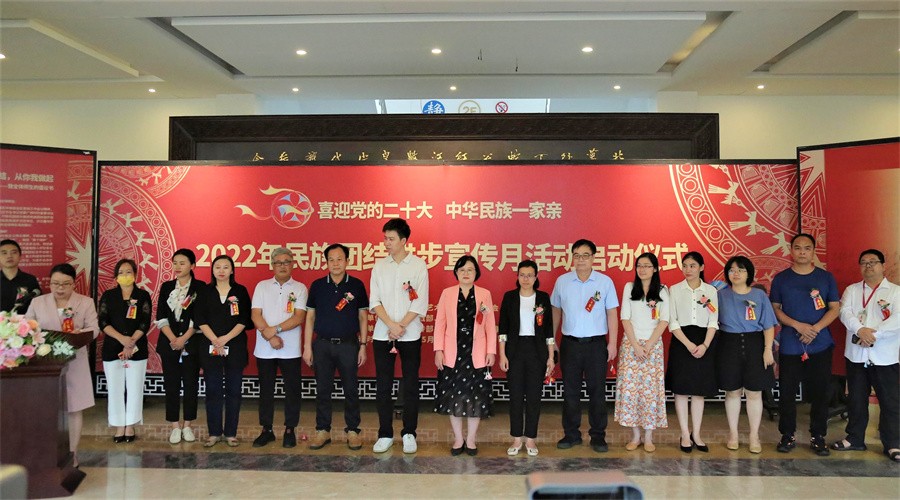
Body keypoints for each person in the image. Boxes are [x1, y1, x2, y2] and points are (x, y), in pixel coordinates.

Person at [770, 233, 840, 456]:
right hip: (791, 344)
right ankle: (787, 435)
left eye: (807, 248)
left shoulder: (825, 277)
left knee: (820, 392)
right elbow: (775, 309)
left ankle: (818, 436)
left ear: (813, 252)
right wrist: (797, 325)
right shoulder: (781, 279)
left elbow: (834, 308)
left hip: (820, 344)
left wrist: (815, 329)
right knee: (787, 392)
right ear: (791, 251)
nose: (802, 252)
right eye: (798, 248)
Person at [25, 263, 98, 466]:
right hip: (45, 363)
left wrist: (80, 333)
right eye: (55, 283)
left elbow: (94, 328)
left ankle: (73, 453)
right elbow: (27, 327)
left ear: (74, 284)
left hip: (75, 360)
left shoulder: (85, 302)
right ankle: (47, 451)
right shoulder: (38, 302)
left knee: (75, 408)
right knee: (47, 408)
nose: (60, 288)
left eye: (65, 284)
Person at [551, 239, 619, 453]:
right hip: (570, 344)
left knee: (597, 392)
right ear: (572, 257)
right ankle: (571, 434)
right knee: (570, 391)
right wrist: (552, 341)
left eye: (585, 255)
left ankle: (598, 436)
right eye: (577, 255)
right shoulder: (562, 281)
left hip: (596, 345)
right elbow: (555, 311)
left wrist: (612, 343)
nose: (581, 259)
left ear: (593, 257)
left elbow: (612, 313)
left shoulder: (605, 282)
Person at [832, 249, 899, 462]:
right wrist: (860, 330)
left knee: (890, 401)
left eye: (873, 262)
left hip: (885, 355)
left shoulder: (895, 292)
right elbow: (845, 313)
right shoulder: (852, 290)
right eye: (864, 262)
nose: (868, 266)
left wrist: (873, 335)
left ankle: (893, 443)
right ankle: (855, 438)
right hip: (857, 355)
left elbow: (897, 319)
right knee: (856, 399)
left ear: (883, 266)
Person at [369, 218, 429, 454]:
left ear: (404, 241)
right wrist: (391, 325)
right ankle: (385, 433)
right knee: (383, 385)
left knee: (411, 384)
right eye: (385, 238)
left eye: (391, 239)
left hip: (410, 334)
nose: (386, 243)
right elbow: (374, 301)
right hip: (383, 334)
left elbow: (420, 302)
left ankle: (409, 433)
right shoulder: (379, 267)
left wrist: (401, 325)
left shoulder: (418, 266)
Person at [303, 243, 369, 451]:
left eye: (340, 259)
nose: (335, 263)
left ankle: (353, 431)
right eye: (331, 259)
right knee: (323, 389)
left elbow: (363, 317)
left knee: (351, 389)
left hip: (348, 344)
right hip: (322, 344)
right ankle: (323, 430)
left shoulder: (356, 285)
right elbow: (310, 317)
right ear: (326, 262)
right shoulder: (317, 285)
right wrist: (307, 347)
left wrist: (363, 345)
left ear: (347, 261)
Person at [433, 255, 497, 456]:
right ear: (456, 273)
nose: (466, 273)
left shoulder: (485, 294)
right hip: (453, 353)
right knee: (454, 398)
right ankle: (458, 439)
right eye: (462, 270)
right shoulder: (447, 293)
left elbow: (490, 325)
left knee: (476, 398)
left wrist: (491, 351)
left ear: (476, 272)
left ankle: (471, 440)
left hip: (477, 353)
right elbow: (440, 323)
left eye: (470, 270)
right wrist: (438, 350)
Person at [717, 255, 777, 453]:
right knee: (732, 392)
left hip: (755, 344)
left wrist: (767, 350)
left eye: (741, 270)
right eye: (732, 270)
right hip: (728, 344)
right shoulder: (720, 295)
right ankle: (733, 434)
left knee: (754, 393)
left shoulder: (759, 296)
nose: (736, 273)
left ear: (749, 273)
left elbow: (768, 326)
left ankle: (754, 435)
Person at [250, 247, 307, 448]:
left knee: (292, 390)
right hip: (265, 349)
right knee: (266, 390)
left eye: (286, 262)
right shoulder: (262, 286)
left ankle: (290, 429)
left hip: (290, 349)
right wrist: (270, 336)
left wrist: (274, 330)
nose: (282, 266)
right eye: (278, 262)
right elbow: (255, 314)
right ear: (272, 265)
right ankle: (266, 430)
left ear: (292, 264)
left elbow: (299, 317)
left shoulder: (300, 288)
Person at [498, 260, 554, 457]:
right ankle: (516, 438)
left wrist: (550, 357)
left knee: (533, 397)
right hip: (514, 351)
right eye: (522, 275)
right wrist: (502, 354)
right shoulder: (510, 297)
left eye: (530, 275)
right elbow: (503, 328)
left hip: (537, 352)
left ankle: (530, 439)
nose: (526, 278)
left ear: (536, 277)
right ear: (517, 276)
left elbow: (549, 330)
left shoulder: (543, 298)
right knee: (515, 396)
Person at [615, 252, 669, 452]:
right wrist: (636, 346)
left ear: (655, 269)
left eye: (647, 266)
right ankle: (635, 436)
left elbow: (664, 320)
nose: (642, 269)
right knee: (632, 392)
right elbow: (625, 318)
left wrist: (648, 345)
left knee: (649, 393)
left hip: (653, 348)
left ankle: (648, 437)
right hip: (631, 345)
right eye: (639, 265)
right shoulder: (630, 288)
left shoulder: (662, 290)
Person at [195, 254, 251, 447]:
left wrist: (225, 339)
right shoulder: (205, 291)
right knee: (213, 390)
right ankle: (214, 433)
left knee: (234, 390)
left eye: (225, 267)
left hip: (235, 346)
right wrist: (215, 340)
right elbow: (199, 318)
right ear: (212, 270)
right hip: (210, 345)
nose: (221, 270)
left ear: (232, 270)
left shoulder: (240, 291)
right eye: (217, 267)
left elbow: (244, 319)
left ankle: (230, 433)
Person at [666, 251, 719, 453]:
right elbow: (672, 321)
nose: (688, 270)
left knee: (699, 391)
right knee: (681, 390)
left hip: (704, 341)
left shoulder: (711, 290)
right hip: (682, 341)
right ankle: (684, 434)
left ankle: (696, 434)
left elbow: (713, 320)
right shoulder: (674, 290)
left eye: (693, 266)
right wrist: (688, 344)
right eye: (685, 266)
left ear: (701, 267)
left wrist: (705, 345)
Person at [98, 258, 152, 443]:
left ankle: (130, 425)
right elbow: (103, 321)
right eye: (121, 272)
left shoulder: (142, 295)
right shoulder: (108, 296)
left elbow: (145, 321)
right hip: (112, 347)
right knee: (115, 388)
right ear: (115, 276)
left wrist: (131, 343)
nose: (125, 275)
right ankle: (119, 425)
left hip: (137, 348)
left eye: (129, 272)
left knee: (135, 388)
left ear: (135, 275)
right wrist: (122, 339)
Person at [155, 249, 204, 444]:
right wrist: (173, 339)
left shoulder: (200, 287)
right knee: (171, 384)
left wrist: (183, 339)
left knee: (191, 384)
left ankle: (188, 425)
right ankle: (175, 426)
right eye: (175, 262)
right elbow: (161, 316)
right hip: (169, 344)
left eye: (182, 263)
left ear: (192, 266)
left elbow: (200, 317)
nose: (177, 266)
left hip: (192, 343)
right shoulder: (167, 287)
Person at [1, 239, 41, 313]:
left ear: (20, 256)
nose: (9, 256)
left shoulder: (30, 280)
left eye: (14, 252)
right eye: (4, 253)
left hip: (24, 320)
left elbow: (37, 305)